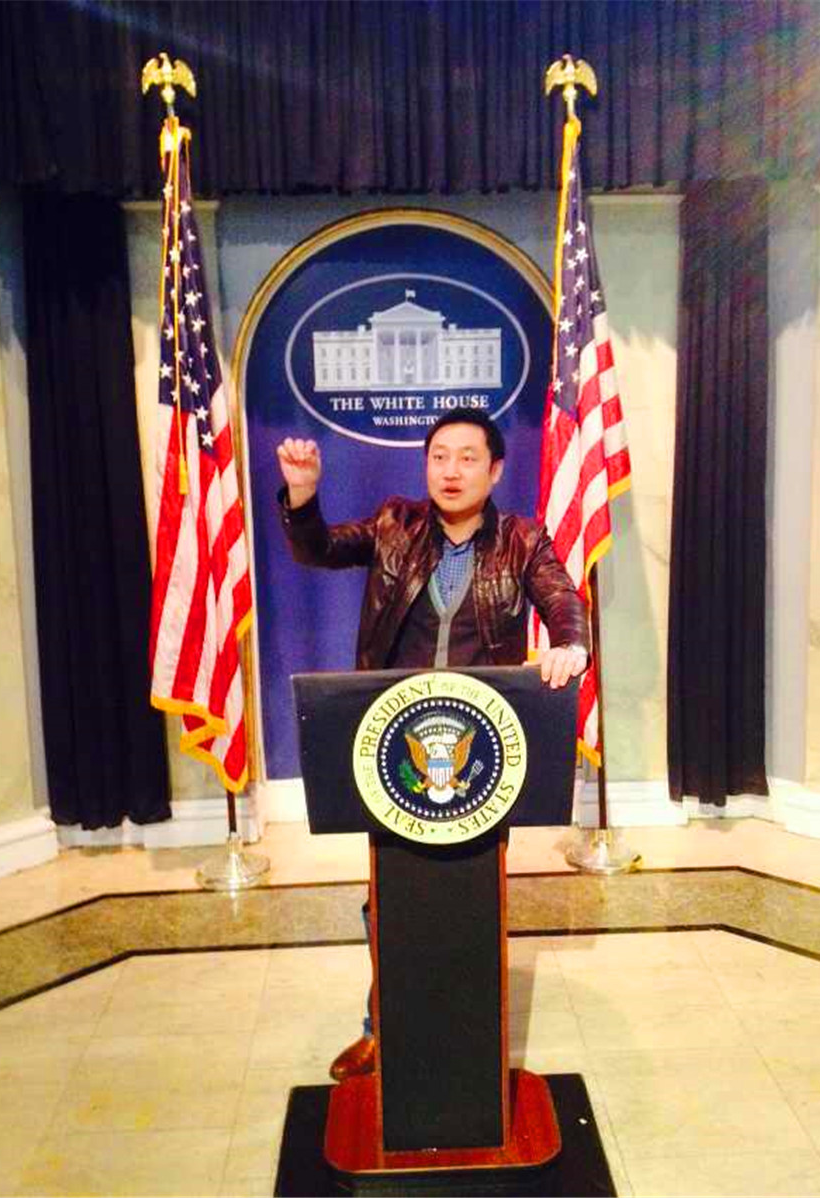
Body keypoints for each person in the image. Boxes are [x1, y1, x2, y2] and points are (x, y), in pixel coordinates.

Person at [276, 408, 589, 1080]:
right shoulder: (395, 524)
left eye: (468, 457)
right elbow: (319, 548)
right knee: (389, 894)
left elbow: (562, 599)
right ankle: (382, 1029)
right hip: (396, 747)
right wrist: (302, 498)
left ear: (494, 470)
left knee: (473, 894)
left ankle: (472, 1035)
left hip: (480, 753)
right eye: (439, 456)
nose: (451, 470)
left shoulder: (522, 540)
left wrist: (570, 644)